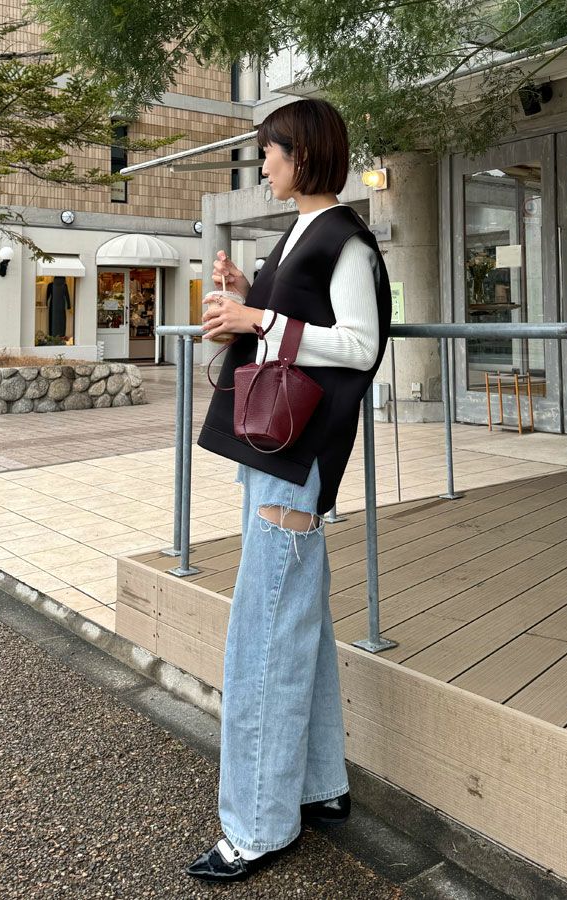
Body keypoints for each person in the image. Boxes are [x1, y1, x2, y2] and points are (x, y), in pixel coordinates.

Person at [187, 98, 391, 883]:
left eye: (270, 150)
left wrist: (257, 318)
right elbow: (285, 321)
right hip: (276, 448)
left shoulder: (345, 237)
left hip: (297, 452)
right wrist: (248, 294)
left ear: (303, 153)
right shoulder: (304, 232)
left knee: (264, 630)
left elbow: (362, 345)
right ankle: (317, 783)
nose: (263, 162)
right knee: (293, 615)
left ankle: (256, 826)